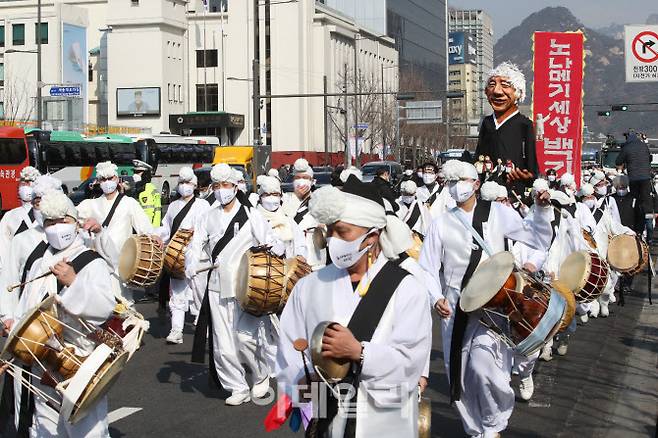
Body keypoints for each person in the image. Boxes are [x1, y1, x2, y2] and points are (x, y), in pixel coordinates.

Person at [276, 175, 431, 437]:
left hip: (385, 419)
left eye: (343, 232)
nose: (333, 240)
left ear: (373, 235)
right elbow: (289, 349)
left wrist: (360, 353)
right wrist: (302, 384)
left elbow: (411, 362)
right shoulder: (309, 285)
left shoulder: (408, 288)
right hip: (326, 417)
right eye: (330, 231)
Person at [419, 160, 552, 438]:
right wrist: (435, 297)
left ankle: (492, 426)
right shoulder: (441, 223)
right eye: (451, 182)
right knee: (460, 375)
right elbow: (427, 267)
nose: (456, 187)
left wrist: (541, 210)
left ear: (476, 184)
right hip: (456, 308)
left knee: (485, 368)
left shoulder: (497, 213)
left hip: (493, 306)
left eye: (462, 181)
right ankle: (475, 429)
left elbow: (536, 239)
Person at [1, 191, 116, 437]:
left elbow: (104, 306)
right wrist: (15, 339)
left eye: (62, 221)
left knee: (88, 431)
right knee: (46, 429)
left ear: (75, 223)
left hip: (80, 360)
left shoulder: (89, 260)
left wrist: (73, 282)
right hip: (44, 362)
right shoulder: (38, 260)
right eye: (50, 223)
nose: (56, 227)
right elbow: (28, 306)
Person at [186, 164, 285, 406]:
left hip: (246, 287)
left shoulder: (251, 214)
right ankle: (236, 386)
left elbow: (274, 242)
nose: (222, 191)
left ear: (235, 186)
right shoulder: (207, 216)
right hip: (217, 287)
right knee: (223, 344)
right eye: (217, 186)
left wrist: (273, 248)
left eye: (226, 185)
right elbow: (195, 244)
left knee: (245, 339)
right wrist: (190, 263)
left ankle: (260, 374)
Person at [77, 161, 156, 302]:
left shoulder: (129, 203)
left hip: (121, 263)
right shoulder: (90, 205)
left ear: (117, 179)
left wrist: (155, 238)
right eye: (103, 179)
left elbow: (145, 228)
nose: (107, 182)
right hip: (98, 263)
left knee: (123, 303)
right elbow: (73, 219)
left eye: (110, 178)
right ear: (98, 182)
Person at [156, 167, 211, 344]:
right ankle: (177, 329)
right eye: (181, 182)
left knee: (200, 293)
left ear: (194, 185)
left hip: (197, 257)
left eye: (187, 183)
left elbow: (206, 230)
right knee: (177, 296)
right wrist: (156, 235)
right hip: (176, 258)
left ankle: (207, 326)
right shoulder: (173, 206)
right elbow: (166, 228)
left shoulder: (202, 205)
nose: (184, 186)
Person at [475, 62, 538, 192]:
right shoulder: (486, 122)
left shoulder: (524, 124)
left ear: (518, 93)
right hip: (487, 188)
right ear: (486, 92)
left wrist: (528, 176)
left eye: (505, 85)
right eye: (492, 85)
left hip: (513, 189)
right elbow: (478, 154)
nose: (497, 91)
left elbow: (531, 166)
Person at [0, 166, 41, 273]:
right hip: (16, 266)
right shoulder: (9, 215)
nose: (26, 186)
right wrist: (6, 269)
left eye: (30, 182)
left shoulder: (45, 212)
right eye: (23, 183)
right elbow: (3, 245)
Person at [616, 132, 653, 243]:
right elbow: (649, 158)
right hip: (646, 178)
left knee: (635, 202)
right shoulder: (643, 146)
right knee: (646, 201)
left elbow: (618, 161)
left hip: (634, 179)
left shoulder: (627, 147)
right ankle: (649, 224)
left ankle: (637, 227)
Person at [133, 160, 161, 227]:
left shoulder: (151, 189)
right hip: (137, 227)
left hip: (149, 227)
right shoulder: (135, 188)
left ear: (145, 174)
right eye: (135, 172)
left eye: (138, 172)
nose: (135, 175)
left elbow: (157, 210)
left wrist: (155, 228)